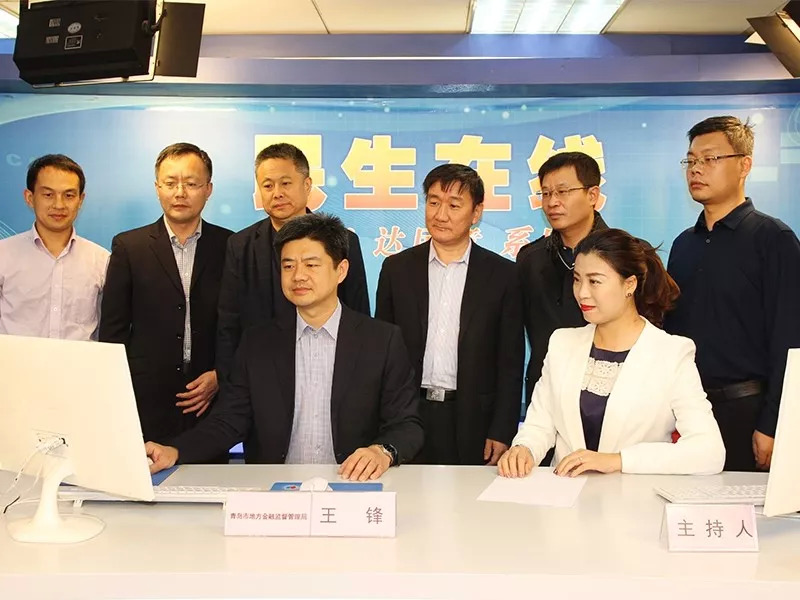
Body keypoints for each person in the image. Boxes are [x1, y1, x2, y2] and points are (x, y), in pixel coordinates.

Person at [146, 213, 423, 481]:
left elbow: (406, 424)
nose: (298, 275)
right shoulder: (258, 343)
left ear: (341, 270)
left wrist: (382, 451)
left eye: (311, 265)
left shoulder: (382, 341)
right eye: (288, 266)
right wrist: (176, 450)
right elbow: (229, 420)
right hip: (275, 489)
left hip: (351, 486)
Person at [498, 228, 725, 478]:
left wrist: (618, 461)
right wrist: (524, 448)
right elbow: (540, 423)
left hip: (634, 496)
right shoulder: (563, 343)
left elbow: (709, 452)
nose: (582, 293)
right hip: (565, 494)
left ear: (629, 285)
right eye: (577, 279)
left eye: (594, 281)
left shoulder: (671, 353)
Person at [665, 115, 800, 472]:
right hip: (687, 413)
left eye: (710, 159)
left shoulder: (773, 239)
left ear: (744, 165)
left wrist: (773, 423)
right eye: (691, 160)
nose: (696, 169)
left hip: (748, 411)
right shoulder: (683, 244)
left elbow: (790, 338)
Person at [376, 163, 524, 465]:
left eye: (454, 205)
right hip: (408, 415)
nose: (440, 215)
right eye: (433, 202)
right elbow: (381, 354)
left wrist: (502, 429)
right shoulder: (397, 269)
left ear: (476, 212)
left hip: (474, 418)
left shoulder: (503, 275)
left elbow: (510, 362)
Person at [99, 143, 233, 451]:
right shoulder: (129, 247)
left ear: (209, 189)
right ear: (157, 187)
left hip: (209, 401)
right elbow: (113, 331)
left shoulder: (231, 245)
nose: (180, 192)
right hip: (145, 401)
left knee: (209, 478)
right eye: (170, 183)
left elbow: (239, 325)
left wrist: (220, 376)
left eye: (191, 183)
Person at [216, 143, 370, 389]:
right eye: (268, 186)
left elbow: (358, 314)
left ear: (307, 185)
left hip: (329, 375)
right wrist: (229, 385)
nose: (277, 193)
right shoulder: (240, 245)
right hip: (260, 377)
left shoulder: (344, 240)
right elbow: (228, 324)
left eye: (286, 183)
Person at [517, 151, 609, 405]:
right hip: (545, 395)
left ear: (592, 195)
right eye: (546, 193)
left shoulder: (628, 255)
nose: (552, 202)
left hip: (609, 396)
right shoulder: (530, 259)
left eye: (563, 191)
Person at [0, 154, 109, 340]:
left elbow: (108, 327)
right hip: (15, 360)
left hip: (79, 359)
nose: (59, 205)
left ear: (80, 200)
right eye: (48, 195)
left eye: (69, 195)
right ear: (29, 197)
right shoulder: (4, 254)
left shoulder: (101, 260)